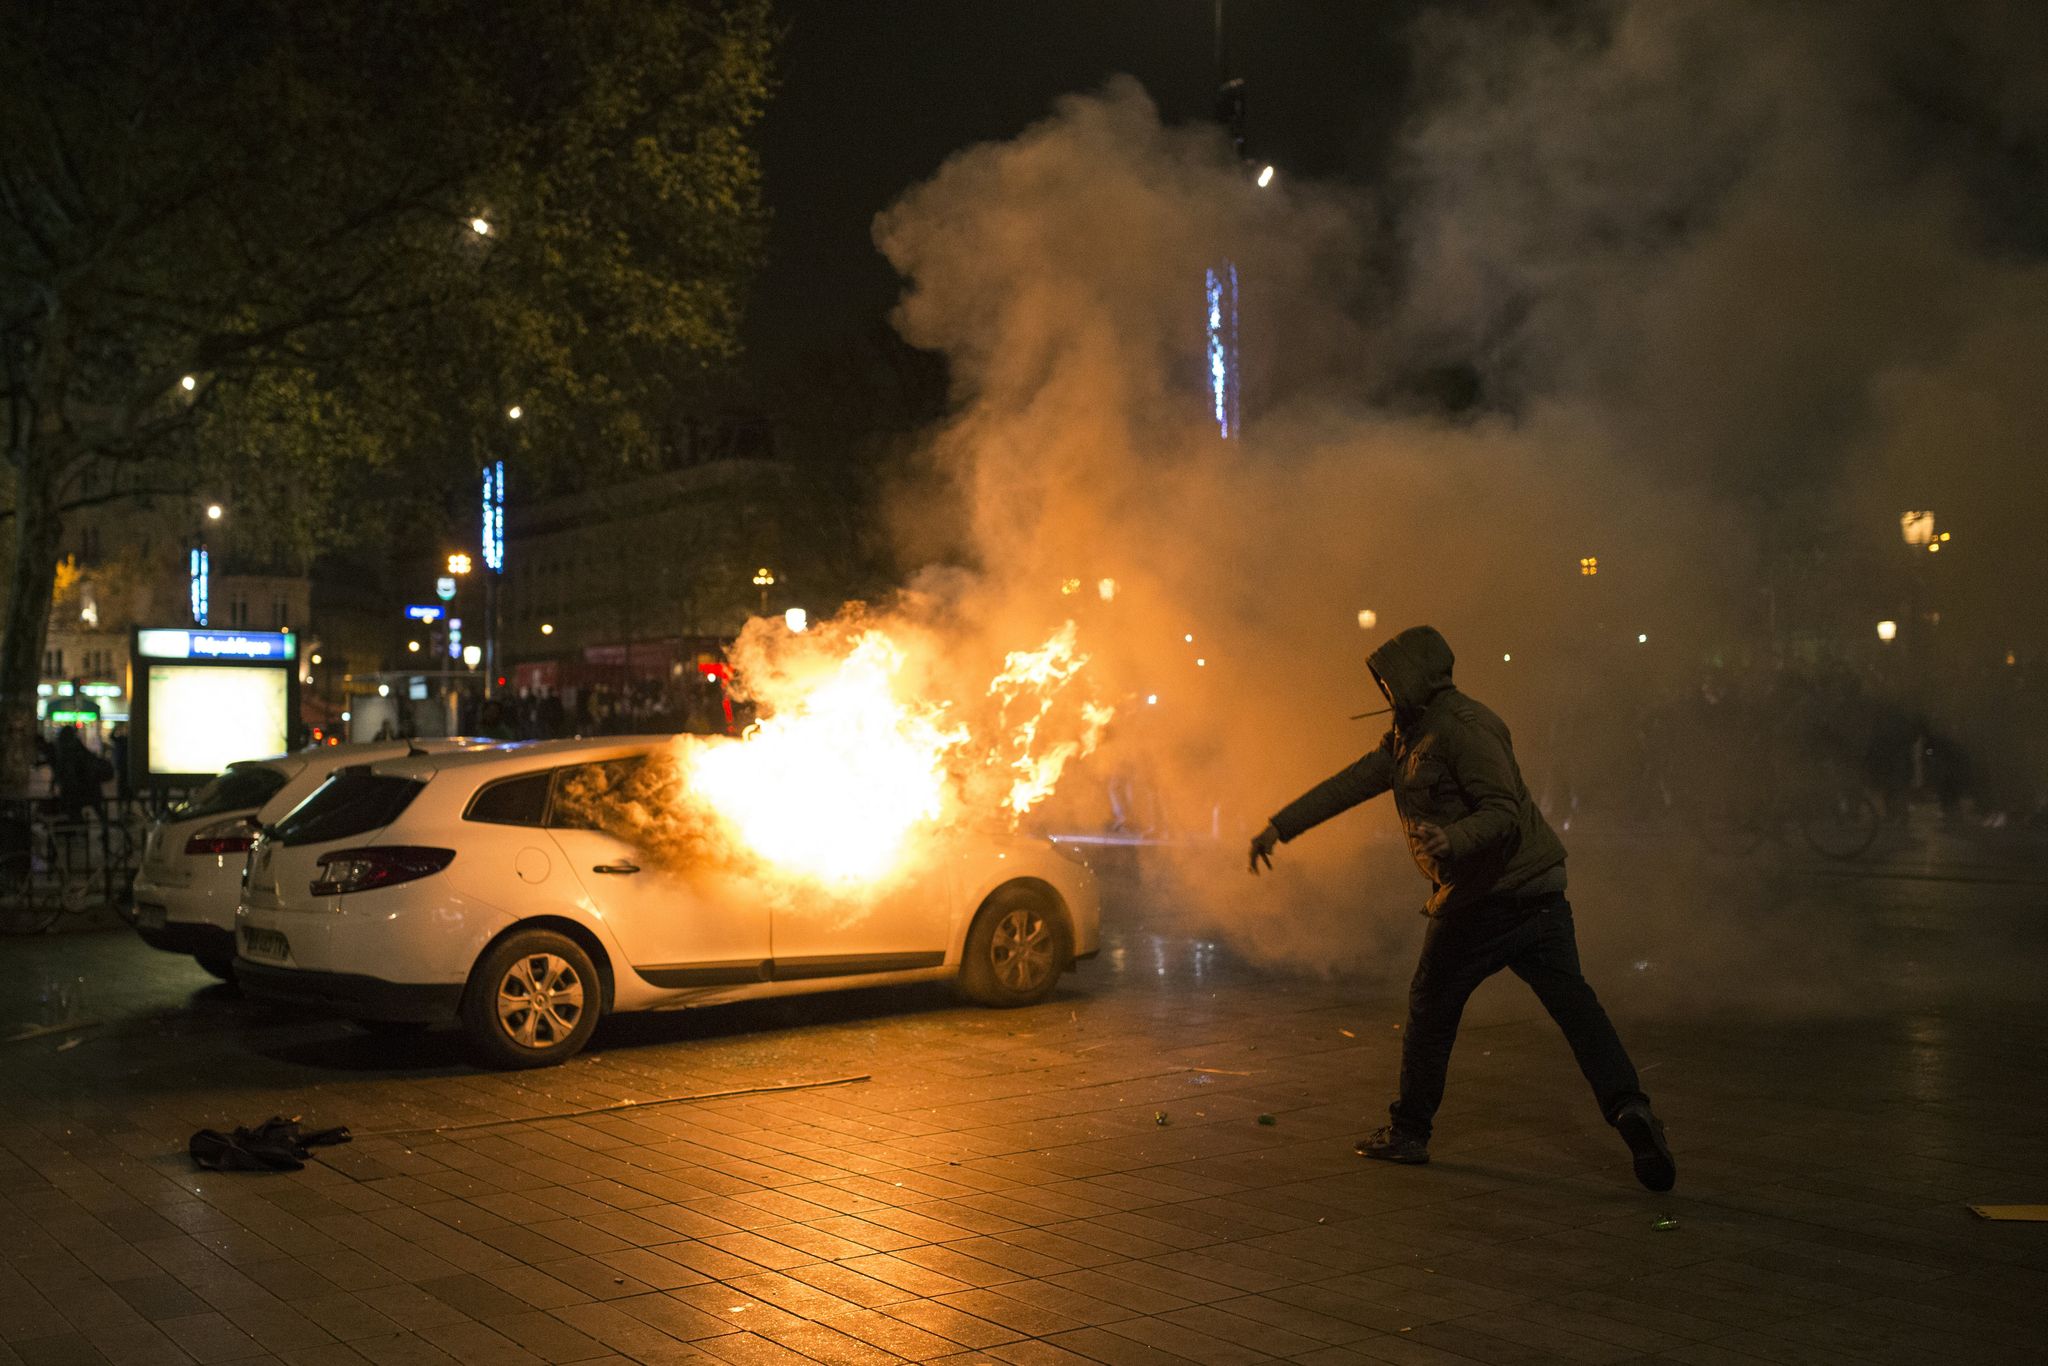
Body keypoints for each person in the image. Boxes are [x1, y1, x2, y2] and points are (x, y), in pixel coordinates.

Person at [1248, 625, 1674, 1192]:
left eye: (1389, 680)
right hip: (1534, 895)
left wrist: (1453, 841)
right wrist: (1283, 824)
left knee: (1431, 1005)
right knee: (1577, 1008)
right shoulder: (1408, 736)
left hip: (1489, 898)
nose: (1385, 692)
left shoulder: (1466, 728)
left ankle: (1410, 1132)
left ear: (1416, 677)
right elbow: (1352, 783)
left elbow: (1502, 809)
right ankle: (1630, 1110)